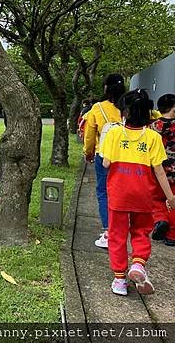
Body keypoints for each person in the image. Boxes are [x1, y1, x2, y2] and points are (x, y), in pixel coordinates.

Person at [100, 89, 175, 296]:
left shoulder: (114, 133)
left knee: (117, 236)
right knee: (141, 232)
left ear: (125, 112)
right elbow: (159, 171)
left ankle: (119, 280)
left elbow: (106, 163)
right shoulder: (152, 137)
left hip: (118, 195)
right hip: (143, 195)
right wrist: (170, 197)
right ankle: (138, 264)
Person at [83, 74, 126, 249]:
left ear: (106, 89)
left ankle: (109, 232)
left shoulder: (97, 108)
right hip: (128, 157)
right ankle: (123, 230)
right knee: (123, 192)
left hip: (104, 156)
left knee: (103, 192)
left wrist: (88, 153)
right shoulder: (129, 106)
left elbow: (90, 135)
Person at [149, 93, 175, 246]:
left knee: (155, 199)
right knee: (172, 200)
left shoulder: (153, 126)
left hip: (158, 171)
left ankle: (160, 219)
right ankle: (172, 236)